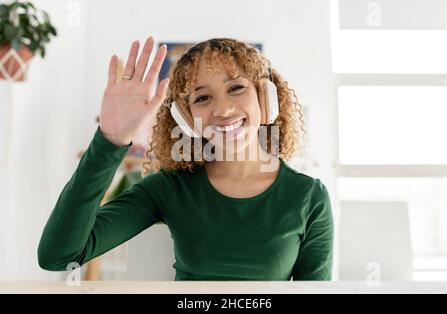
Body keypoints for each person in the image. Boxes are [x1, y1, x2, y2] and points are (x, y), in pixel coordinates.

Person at [38, 36, 334, 280]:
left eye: (236, 88)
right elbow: (60, 257)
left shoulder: (308, 197)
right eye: (202, 98)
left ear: (265, 98)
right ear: (187, 119)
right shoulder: (167, 189)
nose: (223, 110)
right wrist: (110, 140)